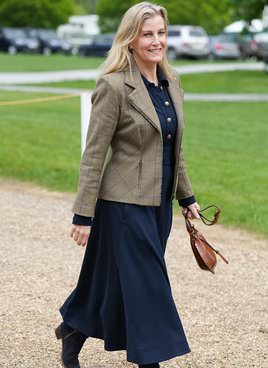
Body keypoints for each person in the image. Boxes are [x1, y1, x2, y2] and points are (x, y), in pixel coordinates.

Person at [55, 2, 201, 368]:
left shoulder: (172, 82)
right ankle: (150, 359)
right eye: (147, 33)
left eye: (161, 33)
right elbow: (94, 154)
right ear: (130, 40)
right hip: (122, 205)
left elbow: (174, 147)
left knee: (116, 281)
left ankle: (75, 327)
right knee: (148, 284)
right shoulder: (114, 86)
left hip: (159, 205)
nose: (156, 41)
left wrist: (187, 197)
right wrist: (82, 214)